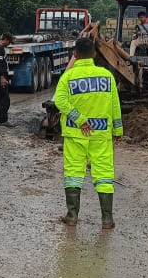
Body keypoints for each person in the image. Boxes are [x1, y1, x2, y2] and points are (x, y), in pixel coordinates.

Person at [52, 37, 123, 228]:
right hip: (101, 135)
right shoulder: (106, 76)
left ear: (74, 54)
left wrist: (80, 119)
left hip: (76, 134)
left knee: (74, 173)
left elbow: (59, 101)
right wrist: (118, 130)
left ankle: (72, 216)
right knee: (104, 174)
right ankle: (107, 219)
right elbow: (115, 105)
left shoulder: (68, 77)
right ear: (94, 54)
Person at [0, 33, 14, 127]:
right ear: (5, 39)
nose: (9, 44)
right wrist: (2, 77)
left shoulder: (0, 48)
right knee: (4, 99)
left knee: (1, 98)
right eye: (9, 42)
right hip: (1, 77)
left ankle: (1, 120)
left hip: (1, 76)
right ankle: (3, 120)